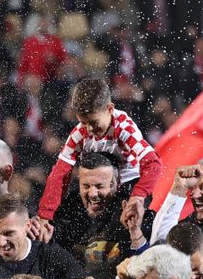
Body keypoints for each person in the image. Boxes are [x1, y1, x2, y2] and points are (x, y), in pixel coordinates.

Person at [37, 77, 163, 228]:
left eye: (94, 123)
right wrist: (45, 215)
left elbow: (154, 163)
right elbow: (59, 174)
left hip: (126, 189)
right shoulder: (79, 133)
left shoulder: (124, 128)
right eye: (83, 122)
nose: (89, 130)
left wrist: (138, 196)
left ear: (110, 109)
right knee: (63, 219)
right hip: (95, 188)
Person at [52, 152, 147, 279]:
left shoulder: (133, 213)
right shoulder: (66, 214)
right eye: (86, 186)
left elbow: (148, 267)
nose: (92, 194)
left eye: (99, 186)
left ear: (115, 185)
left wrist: (135, 233)